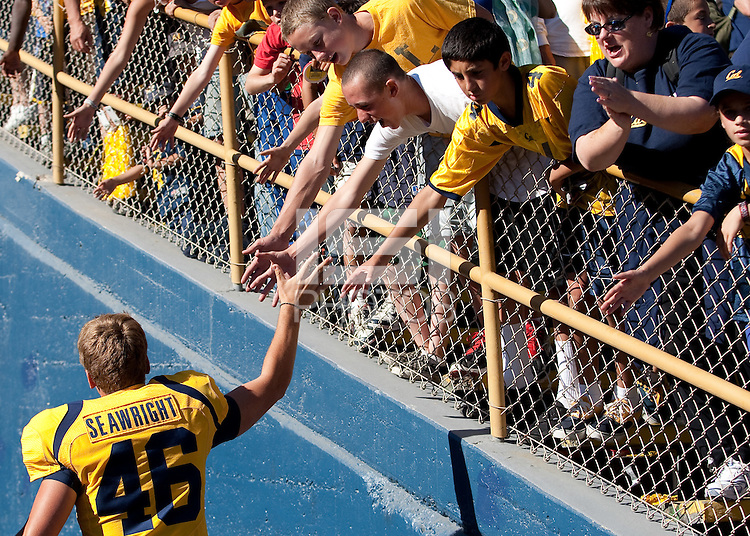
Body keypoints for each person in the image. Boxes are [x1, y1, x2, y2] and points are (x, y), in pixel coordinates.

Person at [339, 18, 578, 395]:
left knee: (587, 294)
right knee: (521, 283)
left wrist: (570, 168)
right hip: (562, 197)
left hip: (618, 190)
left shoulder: (546, 84)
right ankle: (554, 393)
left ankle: (612, 399)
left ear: (503, 62)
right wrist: (379, 258)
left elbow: (599, 132)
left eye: (476, 74)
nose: (468, 86)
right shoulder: (477, 120)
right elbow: (434, 193)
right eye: (458, 77)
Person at [17, 255, 329, 535]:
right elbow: (272, 384)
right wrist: (291, 306)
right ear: (146, 363)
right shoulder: (192, 403)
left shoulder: (67, 434)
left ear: (90, 377)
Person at [248, 49, 484, 375]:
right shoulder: (393, 116)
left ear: (392, 88)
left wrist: (380, 257)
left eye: (365, 106)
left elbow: (432, 196)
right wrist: (294, 251)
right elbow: (349, 192)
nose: (361, 118)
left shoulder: (456, 91)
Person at [240, 0, 494, 291]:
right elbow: (321, 162)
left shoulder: (406, 8)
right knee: (460, 245)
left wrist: (501, 89)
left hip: (493, 116)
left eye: (318, 43)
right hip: (442, 135)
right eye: (310, 52)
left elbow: (486, 28)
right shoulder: (347, 83)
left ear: (335, 16)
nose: (319, 57)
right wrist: (285, 240)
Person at [567, 0, 730, 443]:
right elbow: (588, 154)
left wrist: (629, 101)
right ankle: (701, 444)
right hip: (644, 216)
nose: (604, 35)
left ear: (649, 19)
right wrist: (619, 122)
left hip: (711, 215)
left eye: (615, 23)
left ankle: (731, 449)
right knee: (664, 336)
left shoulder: (691, 49)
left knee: (721, 334)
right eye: (595, 27)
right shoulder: (599, 76)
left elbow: (701, 114)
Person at [599, 64, 750, 500]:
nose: (741, 119)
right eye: (730, 111)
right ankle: (736, 462)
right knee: (712, 368)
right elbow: (694, 227)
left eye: (749, 108)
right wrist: (645, 274)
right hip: (742, 298)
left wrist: (743, 211)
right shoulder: (733, 160)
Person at [65, 0, 224, 142]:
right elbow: (119, 55)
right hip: (211, 62)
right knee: (216, 139)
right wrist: (90, 104)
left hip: (234, 59)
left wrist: (220, 13)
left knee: (222, 139)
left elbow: (237, 12)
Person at [149, 0, 279, 150]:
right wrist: (173, 117)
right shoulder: (227, 17)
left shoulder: (264, 3)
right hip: (267, 86)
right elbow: (203, 71)